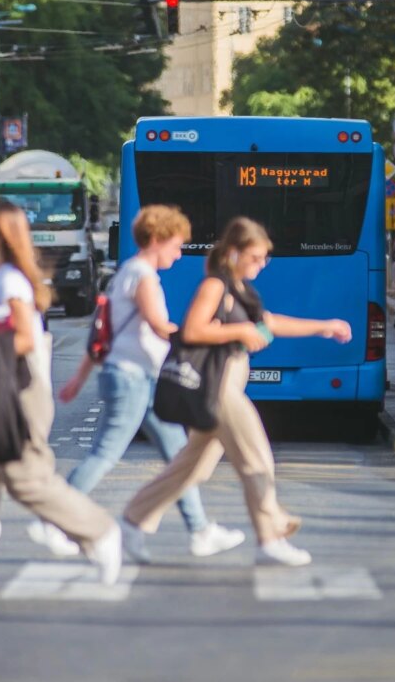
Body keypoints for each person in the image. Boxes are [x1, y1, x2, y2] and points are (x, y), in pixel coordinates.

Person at [120, 217, 351, 567]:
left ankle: (132, 521)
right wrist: (240, 331)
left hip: (231, 379)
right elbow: (193, 330)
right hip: (221, 384)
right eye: (256, 257)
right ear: (233, 253)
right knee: (256, 457)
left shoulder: (242, 289)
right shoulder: (216, 286)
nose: (262, 264)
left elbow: (269, 324)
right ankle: (270, 536)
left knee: (191, 467)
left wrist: (324, 327)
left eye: (264, 258)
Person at [0, 200, 122, 594]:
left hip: (19, 393)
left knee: (24, 478)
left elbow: (24, 339)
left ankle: (100, 531)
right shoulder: (0, 276)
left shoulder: (11, 280)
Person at [39, 205, 244, 562]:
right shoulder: (142, 275)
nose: (179, 255)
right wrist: (208, 336)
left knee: (179, 457)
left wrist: (79, 377)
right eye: (176, 246)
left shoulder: (126, 274)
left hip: (140, 378)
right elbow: (158, 324)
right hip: (132, 378)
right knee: (105, 454)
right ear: (157, 240)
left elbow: (106, 332)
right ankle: (54, 519)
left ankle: (198, 531)